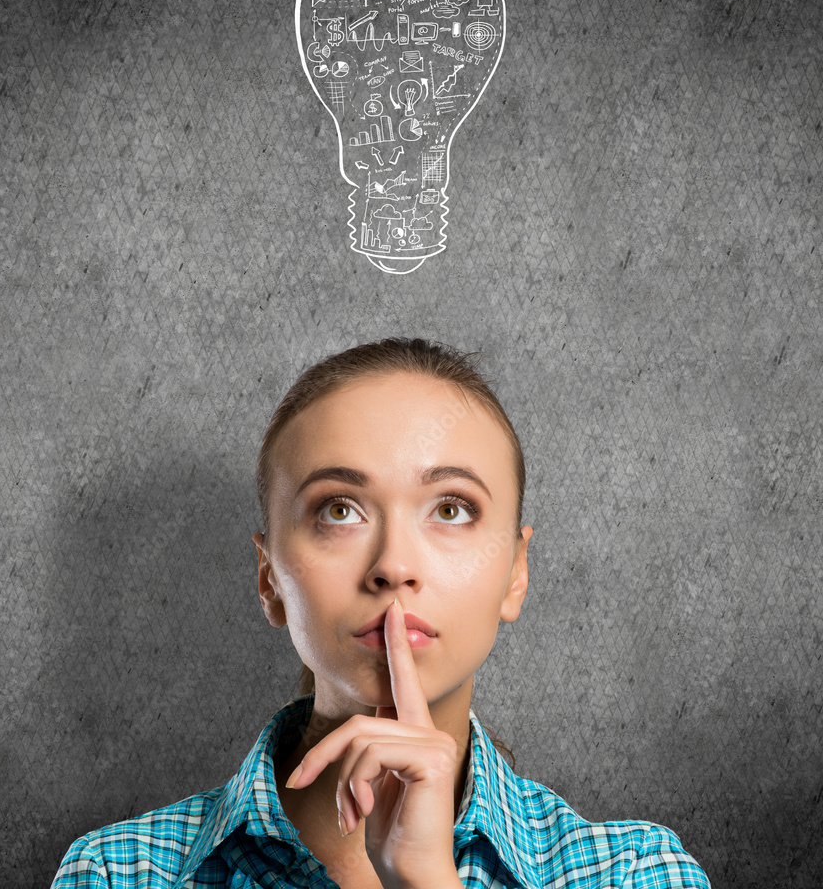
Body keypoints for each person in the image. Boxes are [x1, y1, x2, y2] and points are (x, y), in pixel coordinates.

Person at [51, 337, 711, 888]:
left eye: (451, 509)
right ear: (269, 578)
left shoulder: (631, 871)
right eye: (339, 510)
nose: (394, 564)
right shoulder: (120, 873)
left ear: (516, 572)